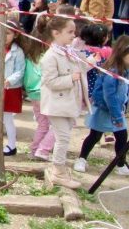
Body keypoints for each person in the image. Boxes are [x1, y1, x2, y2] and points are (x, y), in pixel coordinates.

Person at [40, 16, 90, 189]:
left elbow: (79, 69)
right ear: (56, 33)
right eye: (69, 32)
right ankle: (58, 172)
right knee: (63, 138)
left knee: (64, 137)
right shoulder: (50, 57)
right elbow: (50, 82)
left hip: (68, 103)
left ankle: (59, 168)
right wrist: (70, 78)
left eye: (73, 32)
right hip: (57, 105)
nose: (73, 35)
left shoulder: (69, 51)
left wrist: (90, 64)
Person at [74, 36, 129, 176]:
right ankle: (81, 159)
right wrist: (116, 115)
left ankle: (120, 163)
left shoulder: (126, 69)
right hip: (105, 109)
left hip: (117, 110)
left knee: (122, 137)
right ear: (123, 53)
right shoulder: (112, 71)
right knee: (95, 135)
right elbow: (109, 96)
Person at [22, 26, 54, 161]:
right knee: (57, 125)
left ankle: (35, 149)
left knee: (43, 124)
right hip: (45, 93)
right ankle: (43, 149)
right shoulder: (48, 57)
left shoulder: (29, 56)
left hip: (33, 93)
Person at [1, 21, 25, 156]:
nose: (5, 36)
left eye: (8, 33)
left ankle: (12, 145)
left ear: (15, 34)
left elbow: (20, 71)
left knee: (7, 118)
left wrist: (9, 80)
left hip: (11, 89)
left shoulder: (18, 52)